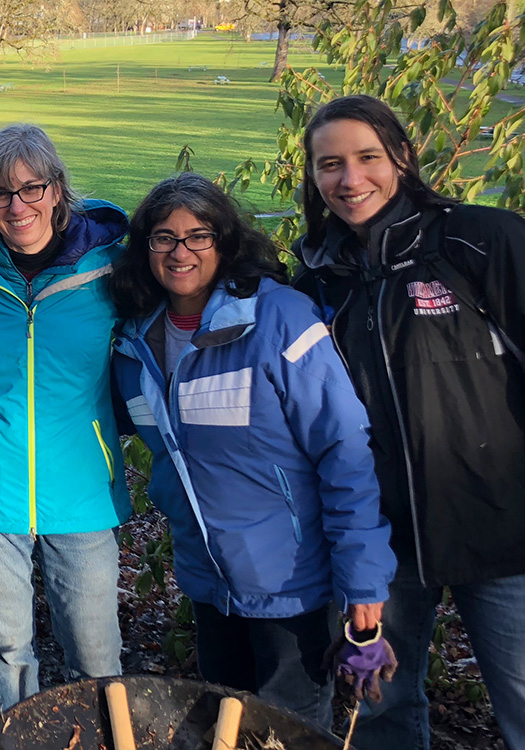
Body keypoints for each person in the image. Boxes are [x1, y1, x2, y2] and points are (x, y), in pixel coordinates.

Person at [291, 93, 525, 750]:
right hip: (379, 546)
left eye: (366, 157)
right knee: (381, 715)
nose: (348, 179)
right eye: (328, 164)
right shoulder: (316, 280)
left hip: (502, 525)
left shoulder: (482, 239)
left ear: (401, 156)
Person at [109, 172, 397, 726]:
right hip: (209, 581)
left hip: (291, 584)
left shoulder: (278, 318)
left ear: (226, 241)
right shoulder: (135, 343)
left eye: (198, 236)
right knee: (225, 723)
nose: (180, 251)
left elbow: (345, 451)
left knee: (286, 730)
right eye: (163, 237)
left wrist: (363, 582)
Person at [0, 123, 130, 713]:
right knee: (8, 649)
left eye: (31, 188)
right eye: (0, 193)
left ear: (56, 190)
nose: (17, 205)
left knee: (96, 654)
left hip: (81, 489)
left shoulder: (110, 272)